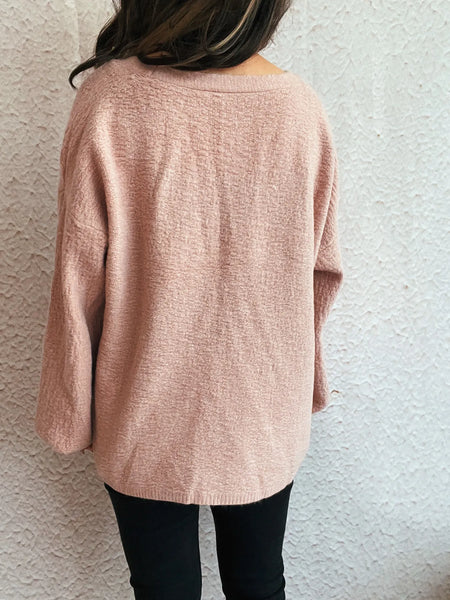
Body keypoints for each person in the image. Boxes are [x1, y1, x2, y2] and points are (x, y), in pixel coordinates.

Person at [35, 1, 344, 598]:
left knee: (162, 587)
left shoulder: (111, 100)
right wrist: (300, 387)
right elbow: (322, 273)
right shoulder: (299, 109)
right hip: (262, 409)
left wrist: (70, 413)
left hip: (141, 408)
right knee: (260, 582)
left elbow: (78, 280)